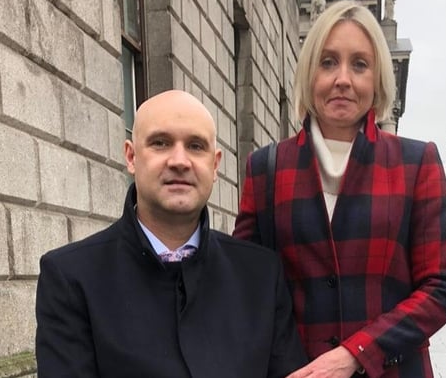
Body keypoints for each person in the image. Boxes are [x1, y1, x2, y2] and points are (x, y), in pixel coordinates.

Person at [233, 0, 446, 378]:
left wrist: (356, 353)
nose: (343, 79)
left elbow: (442, 287)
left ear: (377, 79)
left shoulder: (416, 163)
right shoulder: (266, 169)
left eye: (359, 64)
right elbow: (247, 286)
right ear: (309, 74)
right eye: (328, 62)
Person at [35, 90, 307, 377]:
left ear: (214, 165)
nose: (179, 160)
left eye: (195, 146)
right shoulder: (71, 278)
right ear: (131, 156)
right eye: (160, 143)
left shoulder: (261, 276)